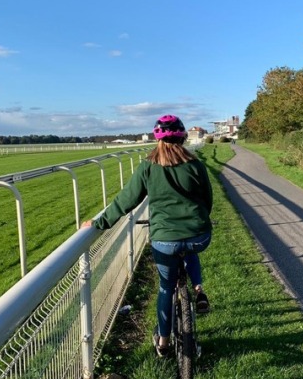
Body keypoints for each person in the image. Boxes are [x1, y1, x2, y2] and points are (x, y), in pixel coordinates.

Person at [82, 114, 213, 357]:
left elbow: (126, 201)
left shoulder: (148, 166)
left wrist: (100, 223)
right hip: (199, 235)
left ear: (157, 139)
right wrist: (200, 222)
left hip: (165, 240)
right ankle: (198, 289)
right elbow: (207, 200)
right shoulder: (196, 165)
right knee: (189, 249)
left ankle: (163, 342)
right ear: (183, 138)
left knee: (166, 288)